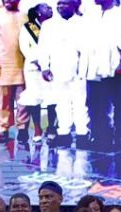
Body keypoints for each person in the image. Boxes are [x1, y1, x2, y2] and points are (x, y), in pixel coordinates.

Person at [83, 0, 121, 151]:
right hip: (94, 67)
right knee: (96, 104)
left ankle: (120, 140)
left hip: (115, 66)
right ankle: (101, 138)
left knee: (120, 105)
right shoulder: (91, 14)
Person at [38, 0, 89, 147]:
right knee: (61, 103)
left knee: (80, 103)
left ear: (73, 5)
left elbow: (86, 49)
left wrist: (83, 69)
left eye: (65, 3)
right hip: (57, 70)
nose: (61, 6)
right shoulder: (49, 25)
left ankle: (82, 134)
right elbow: (43, 48)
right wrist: (45, 67)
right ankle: (64, 133)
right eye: (59, 3)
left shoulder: (82, 23)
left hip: (79, 70)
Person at [0, 0, 28, 144]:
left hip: (23, 64)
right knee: (3, 100)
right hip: (1, 64)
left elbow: (34, 37)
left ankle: (23, 129)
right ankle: (2, 129)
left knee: (23, 100)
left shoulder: (25, 16)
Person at [18, 2, 56, 145]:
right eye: (46, 7)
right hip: (34, 68)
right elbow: (24, 48)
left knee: (53, 97)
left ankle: (52, 128)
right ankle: (38, 130)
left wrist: (49, 62)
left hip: (52, 67)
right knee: (34, 98)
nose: (50, 9)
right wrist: (39, 61)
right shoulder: (28, 28)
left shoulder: (54, 27)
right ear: (39, 12)